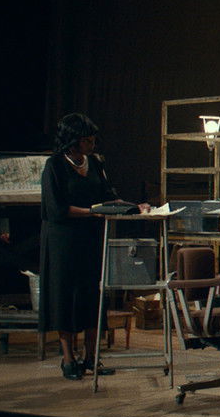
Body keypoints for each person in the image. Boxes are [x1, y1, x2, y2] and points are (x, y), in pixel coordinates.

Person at [39, 113, 149, 381]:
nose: (92, 144)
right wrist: (92, 212)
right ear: (73, 141)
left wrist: (134, 207)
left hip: (91, 237)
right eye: (87, 140)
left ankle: (91, 357)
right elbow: (56, 209)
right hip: (63, 240)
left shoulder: (96, 163)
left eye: (92, 140)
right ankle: (68, 358)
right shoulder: (55, 165)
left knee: (92, 294)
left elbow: (108, 196)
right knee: (65, 295)